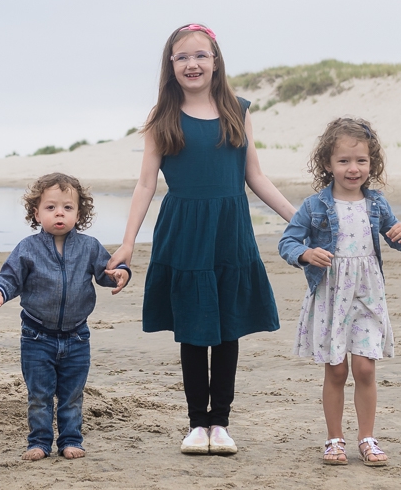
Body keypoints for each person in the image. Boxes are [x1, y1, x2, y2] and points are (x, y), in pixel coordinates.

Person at [107, 23, 296, 456]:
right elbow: (145, 184)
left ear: (215, 61)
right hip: (184, 230)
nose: (192, 64)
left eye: (200, 56)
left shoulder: (238, 111)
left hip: (230, 229)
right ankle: (196, 424)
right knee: (192, 328)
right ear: (170, 65)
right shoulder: (162, 117)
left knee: (228, 327)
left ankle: (221, 423)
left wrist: (297, 220)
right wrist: (128, 242)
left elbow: (255, 176)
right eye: (182, 57)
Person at [278, 116, 401, 467]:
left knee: (365, 369)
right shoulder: (314, 206)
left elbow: (398, 237)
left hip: (368, 293)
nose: (353, 169)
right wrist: (306, 254)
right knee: (337, 371)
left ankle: (367, 438)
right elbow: (288, 242)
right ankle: (334, 440)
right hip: (331, 294)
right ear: (328, 164)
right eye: (343, 161)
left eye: (361, 161)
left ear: (372, 163)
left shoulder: (377, 204)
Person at [0, 173, 131, 460]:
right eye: (50, 207)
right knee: (39, 395)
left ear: (79, 214)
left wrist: (120, 273)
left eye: (67, 207)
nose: (59, 213)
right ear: (36, 213)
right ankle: (39, 442)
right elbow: (9, 279)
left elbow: (107, 272)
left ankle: (71, 440)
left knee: (72, 394)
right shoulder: (28, 248)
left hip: (77, 336)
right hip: (36, 336)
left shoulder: (89, 247)